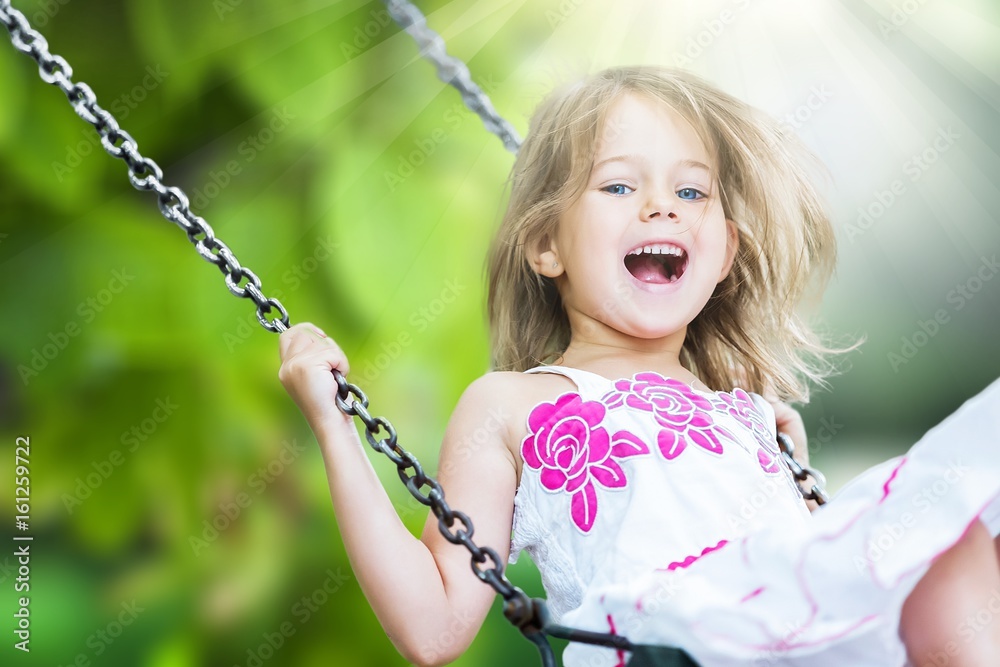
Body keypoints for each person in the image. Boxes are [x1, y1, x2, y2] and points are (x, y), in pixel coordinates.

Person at [278, 67, 1000, 666]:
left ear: (724, 250)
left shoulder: (750, 413)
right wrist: (332, 420)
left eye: (691, 192)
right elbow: (433, 628)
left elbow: (827, 580)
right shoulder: (511, 405)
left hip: (788, 638)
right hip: (660, 641)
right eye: (620, 186)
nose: (661, 206)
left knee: (947, 527)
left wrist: (795, 479)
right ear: (545, 248)